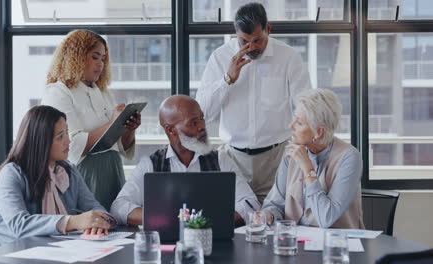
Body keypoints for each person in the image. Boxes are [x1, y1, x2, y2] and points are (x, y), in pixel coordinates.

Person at [196, 2, 312, 204]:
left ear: (268, 29)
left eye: (257, 40)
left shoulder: (288, 57)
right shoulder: (220, 58)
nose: (251, 47)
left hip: (276, 158)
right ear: (236, 33)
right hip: (233, 159)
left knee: (276, 223)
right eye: (244, 41)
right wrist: (227, 80)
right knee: (233, 222)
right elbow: (203, 112)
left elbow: (305, 108)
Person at [110, 95, 260, 226]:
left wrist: (207, 221)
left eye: (202, 119)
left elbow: (251, 204)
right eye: (193, 123)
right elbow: (119, 207)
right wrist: (163, 218)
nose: (202, 127)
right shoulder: (150, 164)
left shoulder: (221, 159)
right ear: (170, 130)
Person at [41, 30, 141, 210]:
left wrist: (129, 128)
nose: (100, 64)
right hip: (83, 173)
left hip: (112, 170)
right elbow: (71, 145)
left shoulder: (102, 92)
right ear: (76, 56)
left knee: (116, 227)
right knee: (87, 228)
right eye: (95, 57)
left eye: (103, 59)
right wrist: (112, 123)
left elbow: (118, 145)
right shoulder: (59, 92)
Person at [0, 105, 115, 249]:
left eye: (67, 133)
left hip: (58, 251)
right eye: (60, 136)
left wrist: (99, 224)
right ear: (40, 141)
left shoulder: (69, 171)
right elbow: (20, 225)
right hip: (12, 254)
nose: (68, 141)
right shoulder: (11, 174)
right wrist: (72, 222)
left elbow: (95, 207)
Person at [261, 89, 364, 229]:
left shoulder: (349, 157)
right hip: (295, 243)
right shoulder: (291, 153)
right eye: (294, 119)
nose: (291, 126)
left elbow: (326, 218)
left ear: (319, 131)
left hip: (338, 246)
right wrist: (268, 215)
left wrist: (307, 167)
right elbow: (275, 203)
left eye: (299, 123)